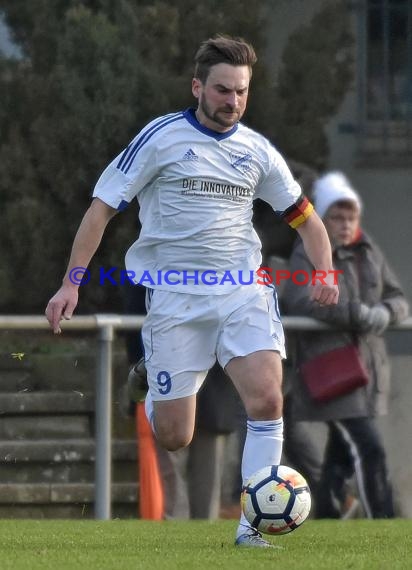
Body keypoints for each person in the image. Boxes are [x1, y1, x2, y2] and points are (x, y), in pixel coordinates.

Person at [45, 35, 339, 548]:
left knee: (268, 399)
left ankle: (252, 528)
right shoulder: (160, 138)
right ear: (198, 86)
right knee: (175, 434)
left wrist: (325, 271)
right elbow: (102, 209)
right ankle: (149, 384)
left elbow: (307, 221)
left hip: (242, 291)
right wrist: (72, 282)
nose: (233, 101)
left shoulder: (258, 152)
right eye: (223, 89)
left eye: (242, 92)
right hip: (176, 298)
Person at [283, 171, 409, 519]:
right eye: (337, 216)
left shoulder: (370, 250)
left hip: (368, 372)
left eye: (351, 216)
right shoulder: (308, 250)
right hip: (331, 371)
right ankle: (382, 520)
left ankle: (327, 515)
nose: (345, 223)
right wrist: (355, 313)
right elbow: (300, 299)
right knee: (370, 448)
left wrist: (385, 312)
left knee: (340, 456)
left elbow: (398, 297)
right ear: (322, 217)